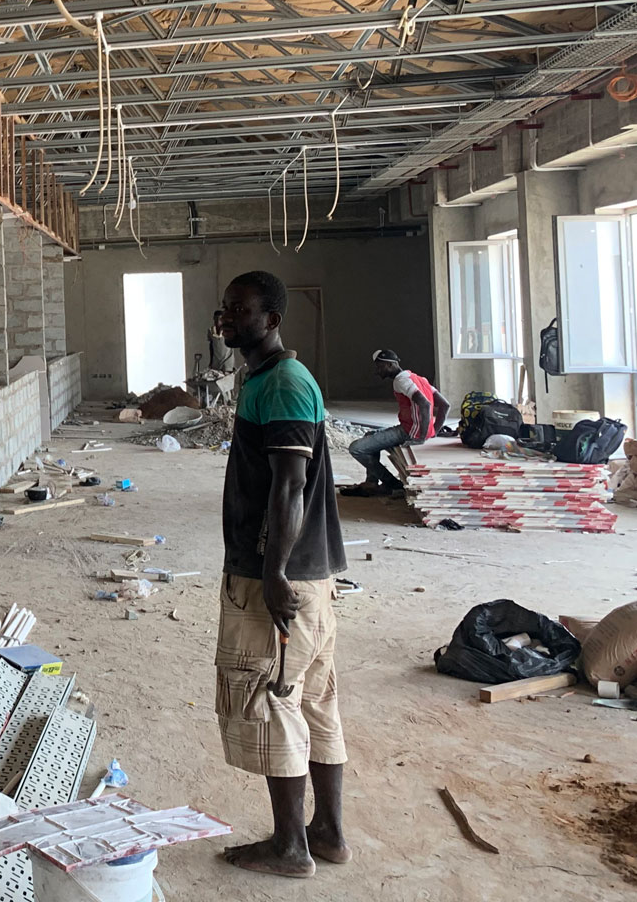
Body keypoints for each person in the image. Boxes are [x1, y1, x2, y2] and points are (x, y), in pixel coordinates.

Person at [212, 270, 350, 878]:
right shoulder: (266, 379)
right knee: (313, 698)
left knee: (274, 699)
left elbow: (290, 487)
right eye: (225, 308)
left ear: (271, 320)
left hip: (282, 580)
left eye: (240, 310)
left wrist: (272, 574)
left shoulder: (285, 385)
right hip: (306, 577)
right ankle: (328, 834)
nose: (227, 318)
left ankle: (291, 847)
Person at [341, 349, 448, 498]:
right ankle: (371, 483)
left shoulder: (401, 381)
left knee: (357, 448)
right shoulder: (418, 378)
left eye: (380, 367)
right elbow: (445, 405)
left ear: (390, 365)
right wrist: (433, 431)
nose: (377, 371)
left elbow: (424, 404)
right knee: (369, 435)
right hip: (411, 429)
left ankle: (392, 484)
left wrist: (421, 437)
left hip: (408, 432)